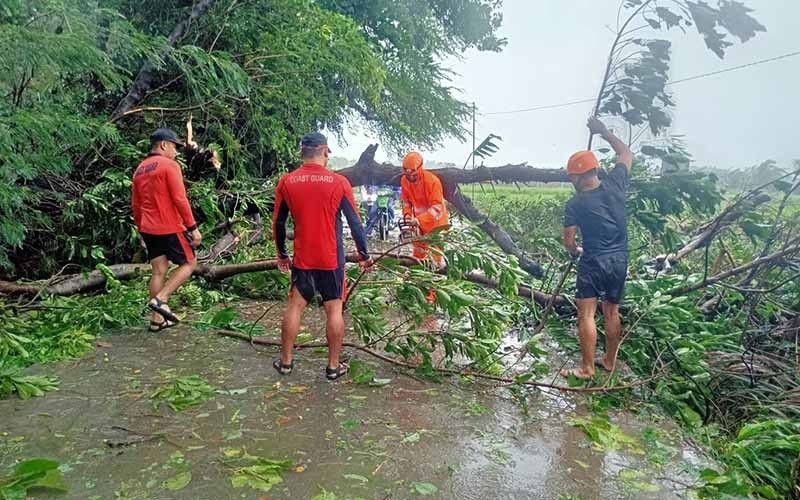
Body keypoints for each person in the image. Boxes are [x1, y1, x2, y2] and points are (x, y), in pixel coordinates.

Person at [272, 132, 373, 381]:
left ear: (301, 153)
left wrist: (282, 254)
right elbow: (356, 224)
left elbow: (278, 222)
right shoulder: (339, 183)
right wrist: (364, 255)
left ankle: (285, 363)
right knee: (334, 309)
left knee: (295, 306)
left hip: (303, 259)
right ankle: (333, 367)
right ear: (325, 151)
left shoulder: (287, 182)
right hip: (331, 259)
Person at [561, 117, 633, 379]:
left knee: (587, 314)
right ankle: (610, 361)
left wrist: (574, 252)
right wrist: (603, 131)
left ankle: (587, 368)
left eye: (572, 177)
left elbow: (569, 242)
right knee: (612, 310)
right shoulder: (616, 183)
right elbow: (625, 153)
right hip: (619, 260)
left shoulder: (575, 204)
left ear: (579, 177)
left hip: (592, 261)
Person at [131, 128, 202, 332]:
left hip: (148, 227)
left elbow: (135, 204)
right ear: (163, 145)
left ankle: (156, 320)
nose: (176, 151)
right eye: (174, 146)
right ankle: (161, 300)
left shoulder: (140, 169)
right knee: (189, 263)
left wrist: (140, 230)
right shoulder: (169, 165)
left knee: (158, 270)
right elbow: (179, 198)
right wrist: (193, 228)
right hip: (169, 225)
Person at [400, 151, 450, 268]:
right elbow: (406, 202)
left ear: (420, 168)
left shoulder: (432, 182)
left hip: (436, 226)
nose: (411, 178)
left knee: (433, 262)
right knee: (418, 259)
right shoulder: (404, 181)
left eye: (413, 174)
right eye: (408, 175)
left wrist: (420, 219)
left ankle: (432, 285)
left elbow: (437, 208)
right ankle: (419, 283)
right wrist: (407, 216)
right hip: (418, 225)